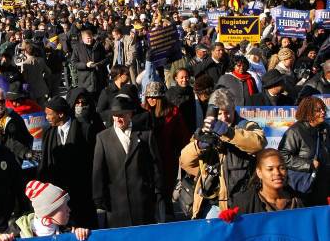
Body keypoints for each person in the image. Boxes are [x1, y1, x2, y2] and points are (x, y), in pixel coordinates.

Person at [180, 88, 267, 219]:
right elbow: (184, 161)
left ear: (234, 109)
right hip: (212, 204)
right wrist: (198, 146)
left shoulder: (246, 125)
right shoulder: (205, 130)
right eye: (220, 113)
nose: (224, 117)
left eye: (228, 112)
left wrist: (229, 133)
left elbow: (259, 143)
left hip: (241, 202)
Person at [93, 96, 165, 228]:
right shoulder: (103, 138)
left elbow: (155, 165)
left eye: (122, 115)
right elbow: (98, 170)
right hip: (116, 205)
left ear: (130, 114)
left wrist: (157, 191)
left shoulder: (145, 134)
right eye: (115, 116)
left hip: (142, 201)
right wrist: (99, 198)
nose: (118, 119)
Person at [38, 95, 96, 228]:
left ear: (61, 114)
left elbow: (92, 161)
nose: (46, 118)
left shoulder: (84, 130)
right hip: (59, 197)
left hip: (82, 193)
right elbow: (45, 163)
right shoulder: (48, 134)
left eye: (49, 114)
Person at [142, 82, 190, 218]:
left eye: (154, 97)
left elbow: (183, 137)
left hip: (167, 160)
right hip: (147, 161)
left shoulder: (173, 112)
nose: (151, 99)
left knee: (165, 194)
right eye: (149, 96)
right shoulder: (142, 112)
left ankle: (167, 220)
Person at [278, 96, 329, 206]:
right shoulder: (295, 131)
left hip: (323, 185)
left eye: (323, 109)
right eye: (318, 110)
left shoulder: (325, 128)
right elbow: (283, 156)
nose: (323, 112)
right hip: (304, 188)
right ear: (308, 113)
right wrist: (308, 164)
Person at [233, 148, 303, 213]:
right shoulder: (243, 203)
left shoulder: (299, 200)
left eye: (282, 168)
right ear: (259, 173)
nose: (277, 173)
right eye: (270, 169)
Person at [0, 87, 34, 165]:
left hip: (13, 163)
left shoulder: (14, 117)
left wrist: (24, 154)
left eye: (2, 101)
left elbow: (27, 137)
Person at [71, 29, 108, 98]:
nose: (90, 40)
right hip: (85, 80)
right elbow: (73, 62)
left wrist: (99, 64)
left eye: (91, 37)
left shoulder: (99, 45)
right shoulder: (77, 47)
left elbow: (105, 59)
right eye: (88, 38)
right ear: (83, 38)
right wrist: (85, 65)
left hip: (98, 79)